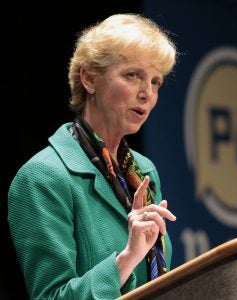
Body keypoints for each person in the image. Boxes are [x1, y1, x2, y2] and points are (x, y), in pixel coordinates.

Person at [7, 13, 177, 299]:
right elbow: (52, 297)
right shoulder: (42, 177)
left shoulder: (143, 172)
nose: (147, 93)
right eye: (132, 75)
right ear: (89, 79)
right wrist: (127, 257)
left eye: (156, 82)